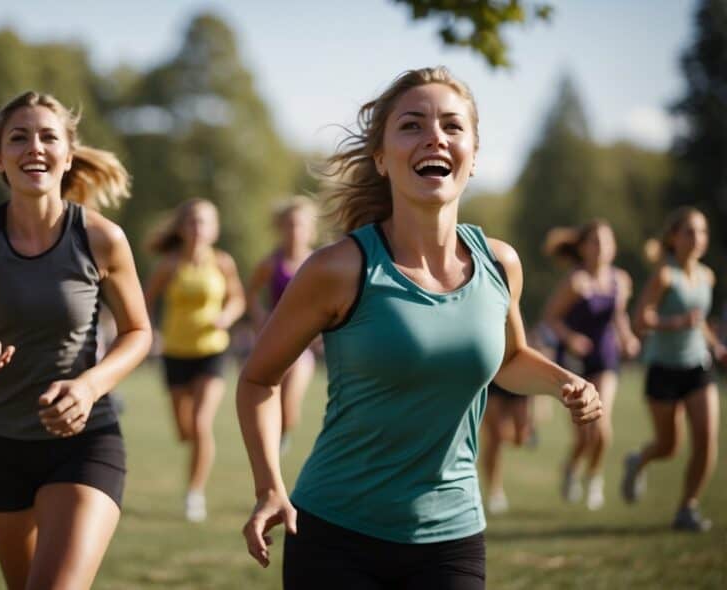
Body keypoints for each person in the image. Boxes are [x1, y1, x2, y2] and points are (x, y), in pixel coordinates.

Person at [235, 66, 603, 589]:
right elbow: (257, 380)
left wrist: (565, 382)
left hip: (452, 539)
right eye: (412, 125)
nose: (435, 136)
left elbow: (509, 358)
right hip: (336, 534)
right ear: (381, 158)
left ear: (473, 156)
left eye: (453, 126)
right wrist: (269, 485)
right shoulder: (339, 269)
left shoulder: (500, 264)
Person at [0, 91, 150, 590]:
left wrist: (89, 387)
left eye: (48, 137)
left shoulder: (103, 238)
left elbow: (138, 331)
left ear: (68, 155)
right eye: (18, 138)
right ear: (0, 159)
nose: (34, 148)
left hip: (86, 442)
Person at [622, 207, 725, 532]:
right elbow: (641, 319)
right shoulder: (664, 275)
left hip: (697, 366)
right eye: (690, 232)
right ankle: (638, 461)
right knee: (668, 446)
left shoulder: (707, 276)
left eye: (703, 232)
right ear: (674, 238)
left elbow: (700, 322)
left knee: (707, 439)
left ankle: (687, 508)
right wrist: (676, 322)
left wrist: (714, 344)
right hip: (663, 370)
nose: (697, 239)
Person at [144, 198, 246, 522]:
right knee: (184, 431)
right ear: (182, 228)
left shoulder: (223, 263)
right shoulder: (168, 265)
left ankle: (194, 495)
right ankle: (193, 467)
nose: (198, 229)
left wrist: (226, 317)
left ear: (214, 229)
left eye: (204, 222)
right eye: (192, 222)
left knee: (202, 424)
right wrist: (151, 334)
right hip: (175, 353)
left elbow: (238, 299)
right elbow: (144, 302)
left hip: (212, 351)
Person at [542, 220, 640, 510]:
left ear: (614, 247)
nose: (601, 247)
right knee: (584, 436)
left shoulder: (620, 280)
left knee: (602, 425)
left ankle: (594, 478)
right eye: (595, 242)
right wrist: (571, 338)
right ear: (583, 248)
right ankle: (571, 469)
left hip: (605, 359)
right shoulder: (575, 282)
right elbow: (551, 317)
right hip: (574, 363)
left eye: (606, 242)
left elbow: (619, 316)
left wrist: (628, 337)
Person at [245, 196, 319, 455]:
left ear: (310, 230)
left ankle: (283, 432)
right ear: (281, 228)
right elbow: (251, 293)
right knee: (268, 395)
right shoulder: (270, 263)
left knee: (290, 402)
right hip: (275, 340)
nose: (294, 230)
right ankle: (270, 438)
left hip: (304, 345)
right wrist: (259, 317)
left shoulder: (319, 261)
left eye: (299, 225)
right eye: (289, 224)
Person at [480, 382, 532, 514]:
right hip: (494, 380)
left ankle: (501, 435)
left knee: (522, 437)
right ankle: (494, 491)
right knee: (494, 437)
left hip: (517, 375)